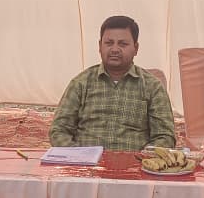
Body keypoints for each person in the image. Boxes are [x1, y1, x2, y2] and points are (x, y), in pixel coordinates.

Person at [49, 15, 176, 151]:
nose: (115, 49)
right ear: (100, 46)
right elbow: (59, 130)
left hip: (136, 163)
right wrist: (79, 155)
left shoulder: (153, 87)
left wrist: (143, 158)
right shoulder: (81, 83)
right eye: (109, 43)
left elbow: (165, 136)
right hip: (86, 162)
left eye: (122, 44)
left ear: (136, 48)